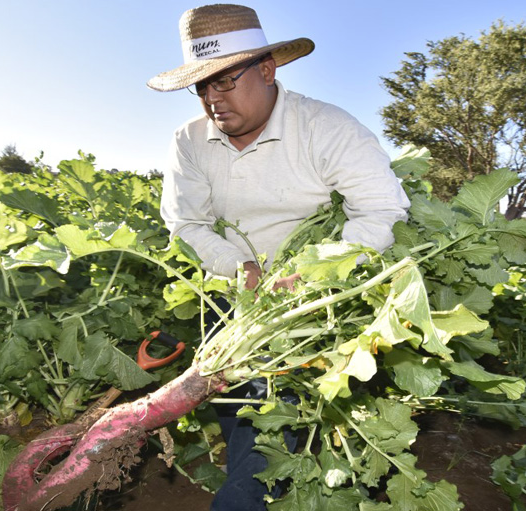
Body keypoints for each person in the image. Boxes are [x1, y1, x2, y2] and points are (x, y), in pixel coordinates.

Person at [147, 4, 410, 510]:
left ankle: (245, 494)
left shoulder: (328, 128)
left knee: (270, 421)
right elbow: (187, 224)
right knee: (234, 402)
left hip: (314, 305)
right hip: (232, 295)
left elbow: (382, 212)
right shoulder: (189, 141)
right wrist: (240, 268)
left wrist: (311, 272)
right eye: (200, 87)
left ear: (267, 70)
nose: (212, 100)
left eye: (224, 81)